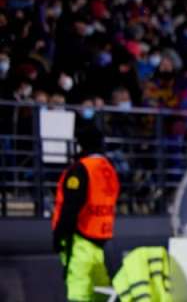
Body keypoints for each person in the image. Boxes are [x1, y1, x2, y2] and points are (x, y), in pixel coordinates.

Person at [52, 125, 121, 302]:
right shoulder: (109, 169)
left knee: (79, 291)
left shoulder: (80, 169)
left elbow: (71, 207)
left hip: (81, 238)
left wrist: (59, 235)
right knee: (101, 292)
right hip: (103, 238)